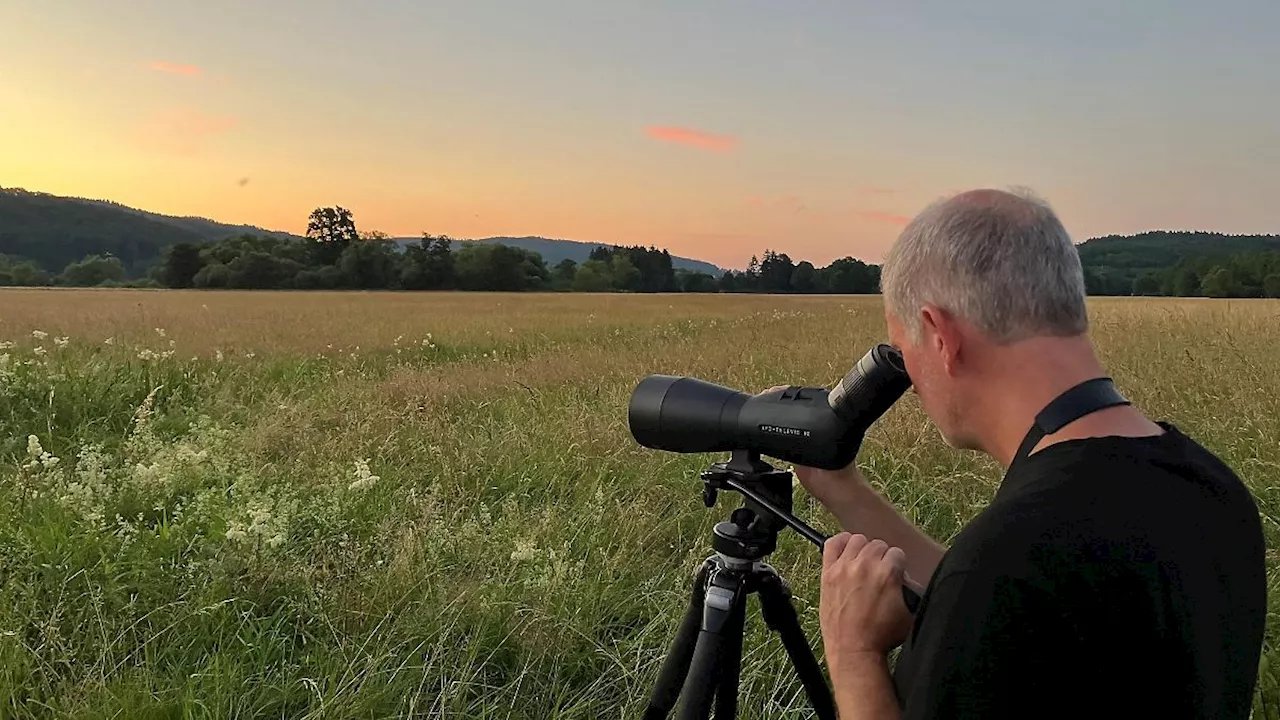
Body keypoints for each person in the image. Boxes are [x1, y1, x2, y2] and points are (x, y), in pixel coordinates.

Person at [799, 188, 1266, 719]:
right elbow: (995, 601)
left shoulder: (1010, 561)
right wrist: (841, 487)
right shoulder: (1213, 490)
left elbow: (997, 588)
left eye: (902, 350)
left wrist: (852, 653)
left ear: (939, 335)